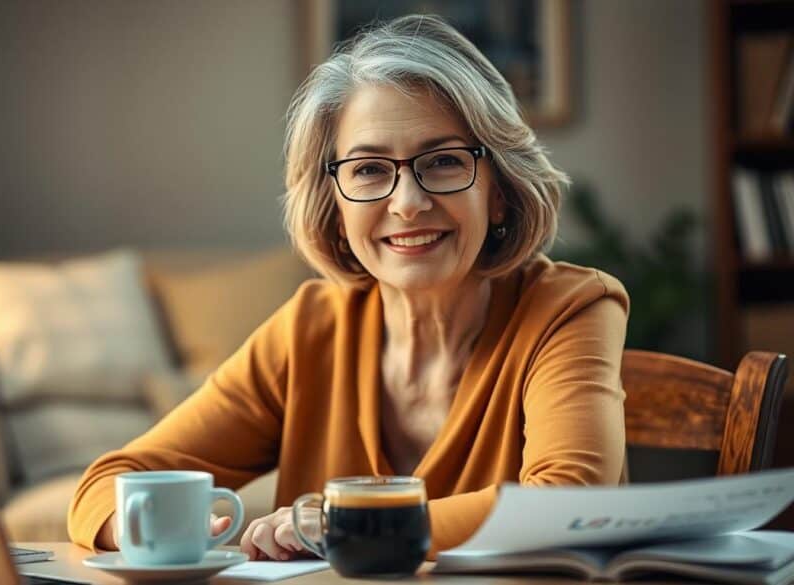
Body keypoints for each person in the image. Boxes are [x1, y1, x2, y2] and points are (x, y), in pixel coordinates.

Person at [68, 14, 628, 561]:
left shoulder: (570, 308)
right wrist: (146, 530)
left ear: (499, 190)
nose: (408, 203)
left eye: (444, 162)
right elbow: (113, 483)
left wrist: (343, 525)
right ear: (334, 207)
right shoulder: (311, 326)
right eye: (368, 170)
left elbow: (569, 503)